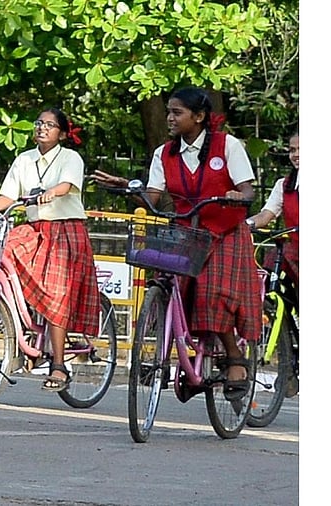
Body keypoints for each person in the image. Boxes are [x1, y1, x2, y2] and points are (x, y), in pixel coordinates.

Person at [92, 87, 261, 401]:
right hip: (188, 233)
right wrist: (129, 188)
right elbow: (153, 197)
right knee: (174, 288)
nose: (169, 118)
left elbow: (248, 191)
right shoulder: (164, 153)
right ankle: (181, 356)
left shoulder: (227, 145)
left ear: (198, 117)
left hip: (225, 232)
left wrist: (237, 196)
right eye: (168, 111)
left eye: (177, 112)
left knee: (214, 293)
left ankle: (235, 358)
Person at [0, 108, 100, 392]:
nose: (42, 128)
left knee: (56, 292)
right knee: (3, 252)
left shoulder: (70, 157)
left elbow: (66, 185)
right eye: (39, 123)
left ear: (61, 134)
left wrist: (52, 192)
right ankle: (21, 321)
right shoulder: (24, 159)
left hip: (65, 231)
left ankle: (59, 365)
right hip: (35, 229)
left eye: (50, 125)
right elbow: (7, 197)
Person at [246, 131, 299, 294]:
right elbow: (265, 216)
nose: (296, 155)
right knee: (273, 258)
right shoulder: (284, 185)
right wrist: (246, 225)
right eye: (292, 150)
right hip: (295, 252)